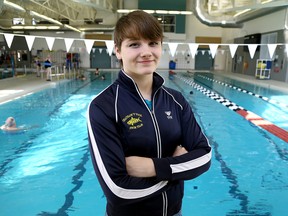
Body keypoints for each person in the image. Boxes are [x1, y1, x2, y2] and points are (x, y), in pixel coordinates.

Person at [87, 10, 211, 216]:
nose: (146, 52)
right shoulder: (104, 106)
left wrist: (154, 167)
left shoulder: (176, 101)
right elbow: (117, 190)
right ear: (118, 50)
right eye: (134, 44)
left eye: (153, 43)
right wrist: (176, 172)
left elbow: (204, 156)